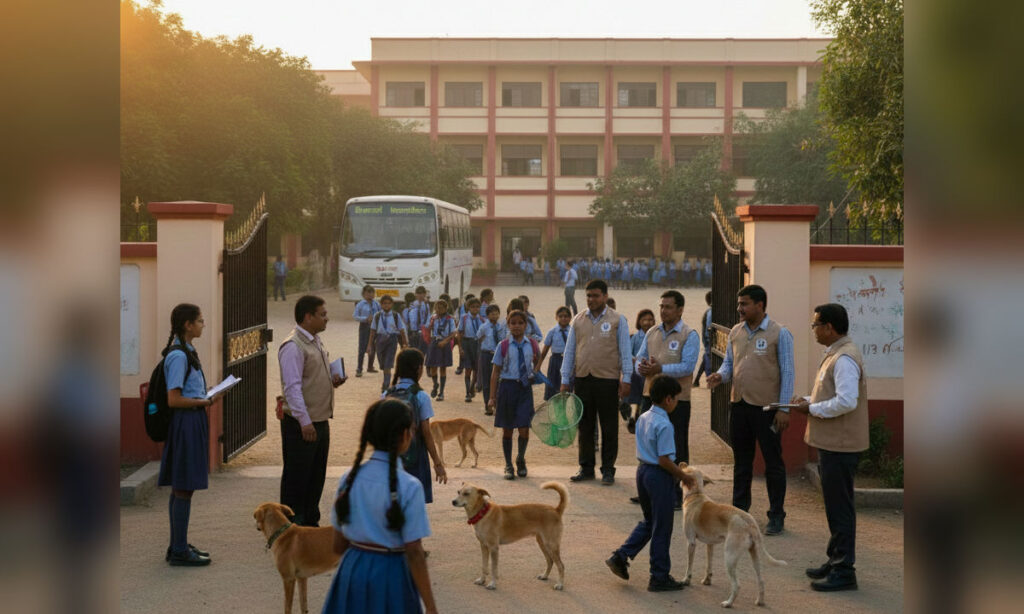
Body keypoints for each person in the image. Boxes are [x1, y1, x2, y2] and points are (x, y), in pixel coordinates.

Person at [322, 400, 438, 614]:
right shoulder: (410, 486)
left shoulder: (348, 479)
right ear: (405, 435)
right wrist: (430, 606)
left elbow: (338, 545)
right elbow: (414, 552)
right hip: (391, 573)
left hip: (351, 569)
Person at [788, 303, 869, 592]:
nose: (813, 330)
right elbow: (833, 393)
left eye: (815, 325)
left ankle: (844, 570)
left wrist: (812, 409)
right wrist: (809, 401)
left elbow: (847, 401)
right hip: (833, 443)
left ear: (829, 328)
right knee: (835, 506)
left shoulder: (844, 358)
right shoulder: (835, 353)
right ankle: (835, 559)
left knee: (840, 508)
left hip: (841, 445)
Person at [707, 284, 794, 536]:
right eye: (739, 303)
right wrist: (719, 377)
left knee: (773, 463)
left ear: (760, 305)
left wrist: (784, 408)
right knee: (742, 462)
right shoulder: (736, 331)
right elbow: (729, 364)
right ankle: (739, 512)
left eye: (744, 303)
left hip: (768, 409)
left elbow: (788, 372)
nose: (739, 308)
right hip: (740, 405)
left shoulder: (780, 333)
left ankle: (776, 515)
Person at [604, 375, 691, 592]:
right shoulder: (665, 425)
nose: (677, 403)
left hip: (642, 471)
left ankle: (621, 556)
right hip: (659, 475)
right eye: (676, 398)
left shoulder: (644, 416)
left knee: (649, 520)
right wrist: (683, 476)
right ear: (668, 400)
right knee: (662, 526)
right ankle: (659, 575)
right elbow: (664, 459)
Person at [158, 303, 222, 566]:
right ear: (188, 325)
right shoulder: (178, 356)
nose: (203, 324)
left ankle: (178, 544)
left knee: (183, 487)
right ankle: (180, 550)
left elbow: (186, 391)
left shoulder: (188, 351)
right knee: (183, 487)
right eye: (200, 320)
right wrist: (204, 402)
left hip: (191, 419)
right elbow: (173, 399)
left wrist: (205, 394)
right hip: (185, 422)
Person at [278, 295, 346, 527]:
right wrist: (304, 421)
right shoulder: (292, 346)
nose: (327, 318)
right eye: (323, 314)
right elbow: (292, 388)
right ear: (308, 317)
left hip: (319, 420)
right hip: (302, 423)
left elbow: (310, 377)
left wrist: (332, 380)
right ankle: (290, 527)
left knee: (315, 477)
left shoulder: (314, 340)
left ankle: (309, 523)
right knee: (297, 478)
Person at [561, 280, 633, 485]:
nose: (591, 300)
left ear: (605, 296)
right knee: (584, 426)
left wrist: (626, 378)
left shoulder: (618, 319)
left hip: (608, 380)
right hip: (583, 379)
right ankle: (586, 468)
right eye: (588, 296)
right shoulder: (578, 319)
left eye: (595, 296)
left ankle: (608, 469)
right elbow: (569, 352)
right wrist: (565, 379)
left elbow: (625, 352)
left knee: (609, 426)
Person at [635, 290, 701, 509]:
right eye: (661, 306)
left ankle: (676, 493)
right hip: (650, 397)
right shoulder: (652, 332)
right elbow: (640, 359)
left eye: (668, 307)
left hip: (677, 401)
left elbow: (688, 366)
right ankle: (648, 490)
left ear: (680, 309)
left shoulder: (689, 334)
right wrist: (642, 368)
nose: (663, 311)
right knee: (648, 444)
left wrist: (660, 369)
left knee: (676, 448)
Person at [386, 348, 448, 504]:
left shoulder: (387, 394)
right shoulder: (421, 396)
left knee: (394, 500)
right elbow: (426, 432)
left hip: (392, 456)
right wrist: (437, 463)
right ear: (419, 369)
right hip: (416, 455)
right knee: (413, 501)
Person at [487, 310, 540, 480]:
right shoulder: (502, 345)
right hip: (507, 388)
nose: (516, 326)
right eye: (513, 323)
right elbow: (495, 372)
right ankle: (508, 464)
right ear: (508, 325)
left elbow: (537, 360)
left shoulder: (531, 344)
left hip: (524, 389)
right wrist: (492, 396)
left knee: (524, 429)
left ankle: (520, 459)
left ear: (526, 325)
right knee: (508, 430)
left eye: (520, 323)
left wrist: (533, 373)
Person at [366, 294, 409, 394]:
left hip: (391, 340)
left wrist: (405, 343)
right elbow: (372, 331)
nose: (386, 306)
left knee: (387, 365)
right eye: (384, 303)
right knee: (382, 363)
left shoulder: (395, 315)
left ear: (392, 304)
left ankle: (386, 386)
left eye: (389, 304)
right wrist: (369, 345)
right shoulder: (377, 316)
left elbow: (402, 330)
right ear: (381, 305)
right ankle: (386, 381)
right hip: (380, 341)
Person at [625, 309, 656, 431]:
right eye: (644, 320)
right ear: (639, 322)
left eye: (650, 320)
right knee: (636, 392)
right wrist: (636, 360)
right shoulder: (636, 337)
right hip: (638, 370)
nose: (648, 322)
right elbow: (629, 353)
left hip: (652, 370)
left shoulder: (656, 335)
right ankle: (633, 416)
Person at [537, 306, 572, 401]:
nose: (563, 318)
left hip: (569, 361)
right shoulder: (552, 332)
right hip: (555, 361)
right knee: (554, 389)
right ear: (556, 317)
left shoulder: (573, 331)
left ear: (570, 318)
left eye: (566, 316)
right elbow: (544, 351)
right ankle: (557, 412)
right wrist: (538, 366)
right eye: (561, 316)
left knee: (568, 389)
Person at [424, 298, 456, 401]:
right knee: (433, 367)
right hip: (434, 342)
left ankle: (441, 392)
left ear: (446, 308)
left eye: (442, 308)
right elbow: (427, 328)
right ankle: (435, 384)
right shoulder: (433, 318)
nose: (439, 309)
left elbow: (453, 333)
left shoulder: (450, 319)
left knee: (443, 368)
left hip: (444, 343)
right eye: (437, 307)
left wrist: (445, 342)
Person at [476, 304, 505, 416]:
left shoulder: (501, 326)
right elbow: (478, 337)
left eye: (497, 313)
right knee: (487, 380)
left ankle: (497, 403)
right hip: (486, 354)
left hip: (498, 355)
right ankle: (488, 405)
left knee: (498, 380)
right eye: (492, 313)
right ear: (488, 315)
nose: (495, 315)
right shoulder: (484, 326)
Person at [458, 297, 485, 402]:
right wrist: (460, 347)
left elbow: (484, 335)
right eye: (472, 307)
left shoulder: (482, 320)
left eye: (477, 307)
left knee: (476, 369)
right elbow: (459, 333)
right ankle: (467, 392)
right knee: (468, 369)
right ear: (468, 308)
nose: (475, 309)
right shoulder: (464, 318)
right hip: (466, 343)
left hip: (477, 344)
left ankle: (472, 386)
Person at [353, 285, 381, 378]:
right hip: (364, 326)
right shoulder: (360, 304)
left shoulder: (376, 304)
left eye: (372, 292)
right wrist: (365, 319)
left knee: (373, 346)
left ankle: (370, 366)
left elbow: (381, 313)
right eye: (368, 293)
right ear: (363, 294)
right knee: (362, 347)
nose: (370, 295)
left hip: (374, 327)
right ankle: (359, 368)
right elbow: (355, 316)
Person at [693, 291, 713, 387]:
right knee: (707, 360)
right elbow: (708, 328)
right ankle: (709, 381)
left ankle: (696, 380)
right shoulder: (710, 312)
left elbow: (704, 327)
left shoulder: (708, 312)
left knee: (705, 359)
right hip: (711, 341)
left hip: (708, 340)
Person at [407, 286, 431, 354]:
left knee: (422, 351)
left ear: (425, 294)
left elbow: (428, 317)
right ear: (416, 294)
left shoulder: (426, 305)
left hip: (423, 331)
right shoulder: (412, 305)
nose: (420, 295)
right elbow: (411, 318)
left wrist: (425, 327)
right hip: (413, 331)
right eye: (418, 293)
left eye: (422, 293)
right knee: (413, 350)